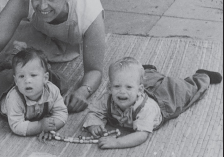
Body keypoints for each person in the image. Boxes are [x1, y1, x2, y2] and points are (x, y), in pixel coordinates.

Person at [82, 57, 222, 149]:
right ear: (109, 88)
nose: (122, 92)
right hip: (143, 87)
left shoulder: (146, 109)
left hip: (163, 101)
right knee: (140, 78)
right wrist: (94, 125)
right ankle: (148, 72)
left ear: (139, 90)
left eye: (128, 87)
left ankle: (203, 77)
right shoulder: (108, 98)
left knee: (184, 91)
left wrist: (116, 143)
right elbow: (95, 111)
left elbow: (142, 134)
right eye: (117, 87)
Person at [0, 47, 68, 139]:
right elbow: (16, 126)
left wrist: (51, 127)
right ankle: (10, 54)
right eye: (22, 76)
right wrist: (40, 126)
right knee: (2, 77)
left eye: (33, 75)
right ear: (16, 81)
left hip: (41, 86)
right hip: (5, 87)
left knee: (62, 82)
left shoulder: (52, 90)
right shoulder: (14, 98)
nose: (27, 80)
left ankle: (18, 53)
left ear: (45, 78)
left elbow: (61, 112)